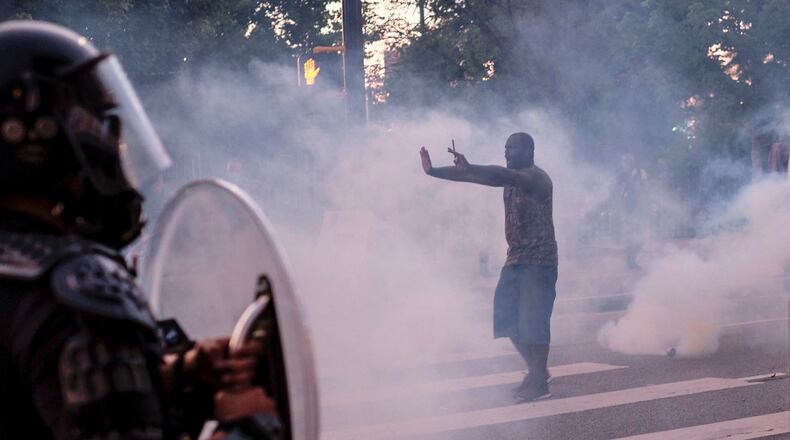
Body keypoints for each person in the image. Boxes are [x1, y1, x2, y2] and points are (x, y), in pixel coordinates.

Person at [0, 20, 273, 439]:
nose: (106, 146)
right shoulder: (76, 294)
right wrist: (246, 430)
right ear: (34, 139)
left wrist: (181, 372)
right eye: (91, 125)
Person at [420, 132, 558, 402]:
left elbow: (499, 175)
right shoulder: (508, 177)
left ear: (529, 151)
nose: (507, 153)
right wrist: (433, 171)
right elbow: (471, 176)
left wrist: (471, 167)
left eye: (513, 148)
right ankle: (537, 372)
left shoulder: (535, 178)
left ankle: (539, 382)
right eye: (505, 148)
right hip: (516, 258)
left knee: (534, 323)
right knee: (506, 319)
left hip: (539, 261)